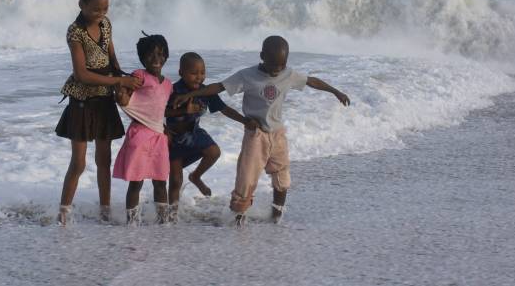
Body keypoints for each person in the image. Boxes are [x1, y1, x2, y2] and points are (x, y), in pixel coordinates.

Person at [172, 36, 350, 226]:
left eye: (281, 65)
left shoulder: (288, 74)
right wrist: (191, 94)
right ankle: (237, 217)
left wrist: (335, 91)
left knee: (282, 176)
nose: (277, 70)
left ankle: (277, 215)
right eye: (273, 65)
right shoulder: (247, 76)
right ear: (262, 56)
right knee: (246, 178)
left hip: (278, 134)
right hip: (255, 135)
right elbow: (219, 87)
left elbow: (311, 81)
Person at [55, 0, 142, 226]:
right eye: (95, 9)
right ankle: (63, 214)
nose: (100, 13)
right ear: (81, 4)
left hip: (104, 98)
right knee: (79, 163)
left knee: (104, 160)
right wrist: (117, 80)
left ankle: (105, 210)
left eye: (104, 8)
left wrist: (124, 81)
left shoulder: (105, 24)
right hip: (82, 100)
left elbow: (112, 58)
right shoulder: (75, 31)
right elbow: (81, 74)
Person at [165, 52, 249, 223]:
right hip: (174, 139)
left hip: (194, 133)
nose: (199, 77)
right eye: (194, 73)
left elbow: (224, 109)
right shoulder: (173, 90)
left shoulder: (206, 91)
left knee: (214, 152)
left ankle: (196, 176)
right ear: (181, 72)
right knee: (175, 181)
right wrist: (166, 126)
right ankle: (171, 216)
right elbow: (160, 111)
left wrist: (244, 120)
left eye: (202, 72)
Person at [113, 33, 173, 226]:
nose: (156, 59)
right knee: (136, 182)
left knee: (160, 181)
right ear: (142, 57)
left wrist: (166, 128)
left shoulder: (169, 84)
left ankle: (163, 222)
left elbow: (159, 108)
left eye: (161, 54)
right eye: (151, 54)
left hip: (159, 136)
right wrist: (120, 94)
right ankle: (132, 223)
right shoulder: (139, 75)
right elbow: (125, 98)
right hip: (140, 134)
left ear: (166, 56)